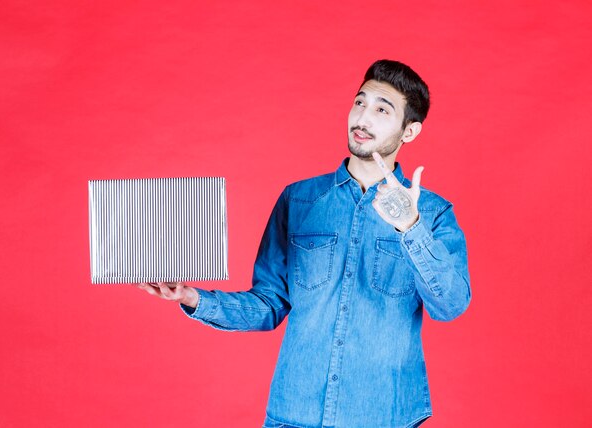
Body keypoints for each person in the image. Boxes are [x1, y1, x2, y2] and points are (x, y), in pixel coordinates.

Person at [137, 59, 471, 428]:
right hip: (294, 414)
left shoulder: (432, 213)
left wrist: (411, 227)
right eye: (359, 102)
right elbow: (269, 305)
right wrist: (192, 298)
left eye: (381, 109)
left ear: (409, 131)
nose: (363, 118)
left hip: (384, 416)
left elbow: (450, 305)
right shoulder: (298, 200)